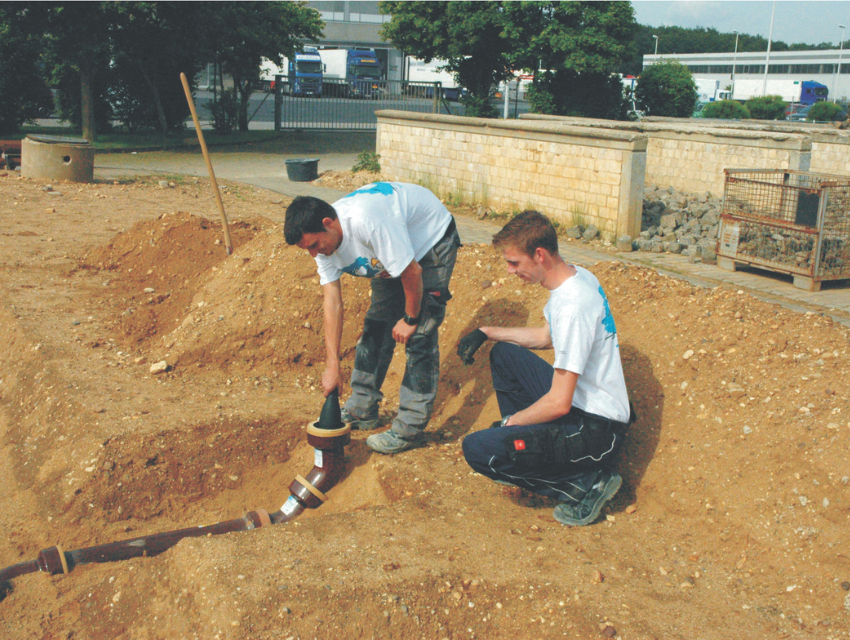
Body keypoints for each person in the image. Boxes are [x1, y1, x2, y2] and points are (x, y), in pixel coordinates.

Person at [457, 210, 634, 526]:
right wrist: (487, 332)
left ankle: (585, 484)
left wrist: (511, 423)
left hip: (594, 433)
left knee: (477, 450)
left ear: (539, 255)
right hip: (586, 411)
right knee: (504, 355)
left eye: (514, 263)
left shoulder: (572, 306)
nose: (511, 271)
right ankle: (530, 453)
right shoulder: (575, 278)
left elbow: (558, 402)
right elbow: (545, 337)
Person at [284, 182, 460, 455]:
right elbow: (332, 301)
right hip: (389, 256)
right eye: (307, 249)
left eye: (315, 245)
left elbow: (412, 272)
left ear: (328, 223)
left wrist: (411, 319)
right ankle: (362, 408)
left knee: (421, 336)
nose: (314, 254)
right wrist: (333, 365)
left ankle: (409, 428)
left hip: (429, 242)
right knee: (376, 327)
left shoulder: (368, 222)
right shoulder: (323, 245)